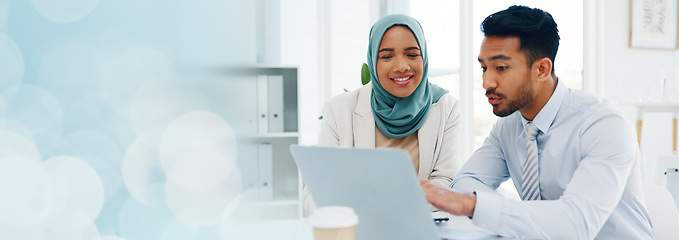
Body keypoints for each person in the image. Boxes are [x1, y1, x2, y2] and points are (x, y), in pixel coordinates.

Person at [420, 5, 653, 239]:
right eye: (484, 68)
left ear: (541, 69)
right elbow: (466, 181)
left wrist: (477, 206)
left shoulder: (604, 125)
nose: (486, 82)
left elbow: (576, 224)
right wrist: (495, 210)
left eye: (501, 68)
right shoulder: (509, 126)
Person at [304, 14, 462, 215]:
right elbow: (316, 188)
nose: (401, 66)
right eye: (387, 56)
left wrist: (395, 208)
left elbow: (447, 180)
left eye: (412, 54)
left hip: (420, 226)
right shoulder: (339, 109)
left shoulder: (446, 106)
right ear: (372, 60)